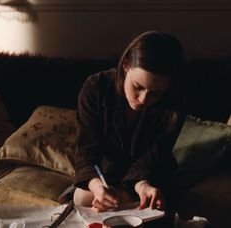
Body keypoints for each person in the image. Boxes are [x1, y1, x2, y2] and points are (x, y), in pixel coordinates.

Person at [72, 31, 186, 227]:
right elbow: (85, 154)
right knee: (82, 198)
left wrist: (142, 185)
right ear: (125, 66)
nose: (144, 100)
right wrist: (98, 187)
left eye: (156, 94)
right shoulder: (96, 88)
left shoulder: (174, 104)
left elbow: (154, 157)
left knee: (155, 204)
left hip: (151, 174)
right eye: (138, 86)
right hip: (106, 174)